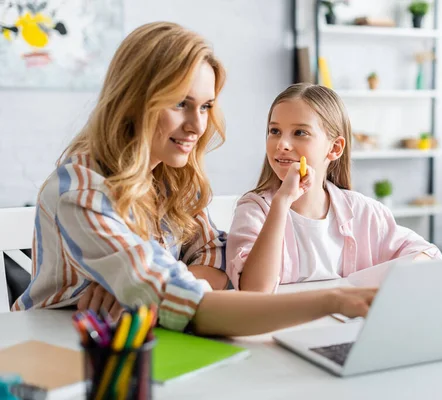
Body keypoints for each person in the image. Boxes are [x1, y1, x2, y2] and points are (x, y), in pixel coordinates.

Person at [11, 22, 376, 336]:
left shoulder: (170, 177)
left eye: (205, 107)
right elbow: (193, 308)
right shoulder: (81, 190)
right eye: (180, 104)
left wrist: (154, 287)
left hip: (135, 342)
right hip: (55, 349)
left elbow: (215, 255)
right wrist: (335, 300)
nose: (198, 126)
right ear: (132, 101)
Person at [226, 83, 442, 293]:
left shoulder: (363, 212)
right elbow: (254, 290)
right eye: (275, 131)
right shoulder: (253, 210)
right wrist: (281, 202)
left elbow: (428, 253)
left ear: (335, 148)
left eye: (300, 132)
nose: (282, 144)